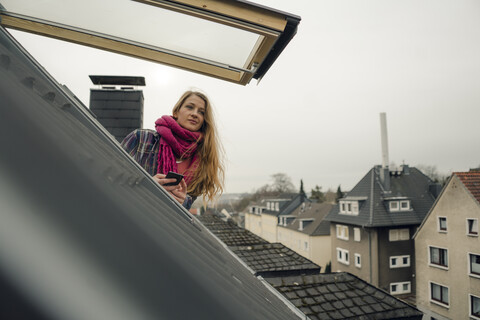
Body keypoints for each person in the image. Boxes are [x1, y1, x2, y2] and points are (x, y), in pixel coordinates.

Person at [121, 90, 224, 209]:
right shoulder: (141, 139)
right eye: (190, 107)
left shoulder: (202, 162)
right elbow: (109, 176)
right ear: (176, 112)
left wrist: (182, 202)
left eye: (201, 112)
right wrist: (147, 185)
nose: (195, 114)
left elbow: (187, 204)